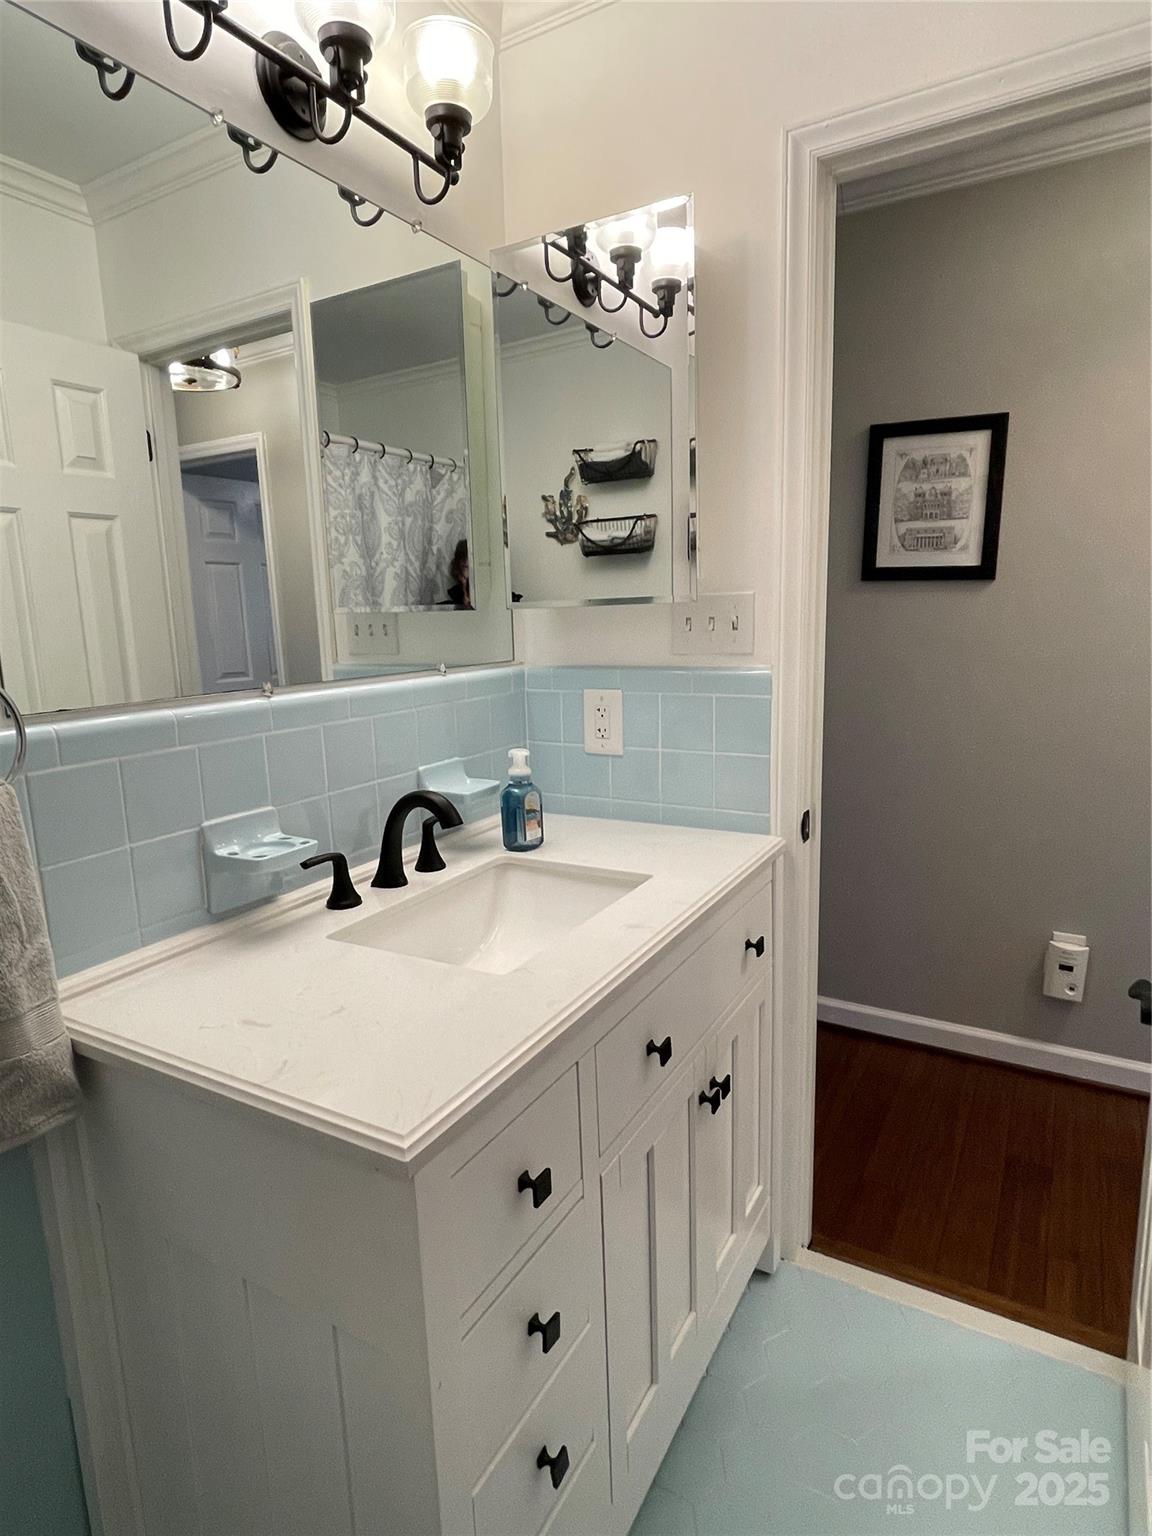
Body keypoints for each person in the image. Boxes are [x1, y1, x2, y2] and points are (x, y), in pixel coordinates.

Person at [447, 539, 471, 609]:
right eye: (462, 556)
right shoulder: (453, 593)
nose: (465, 560)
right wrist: (464, 585)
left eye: (469, 557)